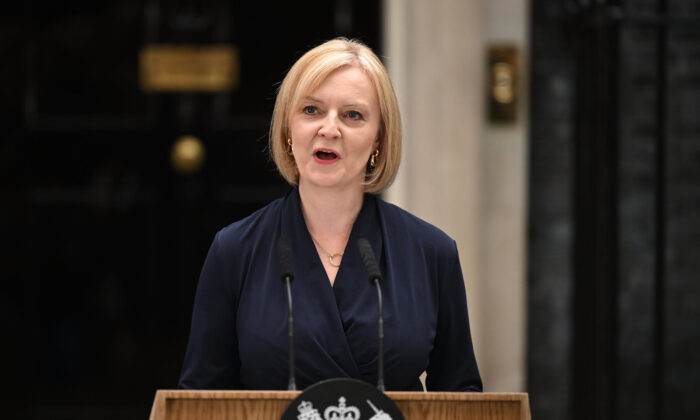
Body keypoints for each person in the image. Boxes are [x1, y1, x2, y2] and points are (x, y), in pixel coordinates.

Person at [178, 38, 482, 392]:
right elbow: (200, 400)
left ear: (378, 140)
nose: (329, 128)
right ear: (288, 131)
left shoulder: (432, 252)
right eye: (311, 110)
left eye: (353, 115)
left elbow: (462, 399)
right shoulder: (233, 250)